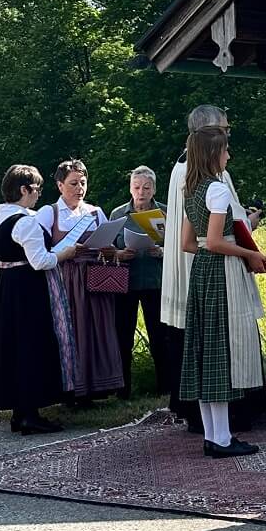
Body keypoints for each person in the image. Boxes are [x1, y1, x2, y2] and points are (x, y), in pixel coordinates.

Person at [162, 104, 266, 430]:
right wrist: (249, 246)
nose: (228, 138)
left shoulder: (185, 171)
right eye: (224, 130)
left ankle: (208, 425)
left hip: (196, 262)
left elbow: (189, 237)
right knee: (221, 341)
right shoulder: (213, 181)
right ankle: (230, 418)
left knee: (200, 342)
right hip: (219, 264)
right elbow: (225, 227)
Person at [0, 164, 82, 433]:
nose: (39, 194)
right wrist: (64, 254)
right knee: (32, 346)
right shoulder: (25, 221)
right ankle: (30, 413)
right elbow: (40, 261)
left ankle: (20, 412)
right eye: (37, 189)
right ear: (23, 190)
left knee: (14, 346)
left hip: (6, 286)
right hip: (28, 288)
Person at [35, 160, 125, 403]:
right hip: (65, 280)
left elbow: (109, 246)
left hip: (94, 279)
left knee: (97, 329)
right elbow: (38, 249)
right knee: (71, 330)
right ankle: (71, 389)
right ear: (60, 185)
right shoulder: (49, 213)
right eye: (73, 183)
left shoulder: (94, 212)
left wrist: (111, 250)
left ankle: (98, 387)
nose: (79, 188)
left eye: (83, 183)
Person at [109, 165, 172, 398]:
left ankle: (165, 386)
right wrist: (119, 254)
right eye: (136, 187)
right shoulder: (118, 214)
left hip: (156, 282)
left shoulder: (165, 212)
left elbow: (179, 245)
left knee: (160, 335)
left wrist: (162, 252)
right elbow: (107, 247)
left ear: (154, 189)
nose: (141, 192)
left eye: (146, 187)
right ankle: (122, 390)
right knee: (122, 335)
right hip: (125, 282)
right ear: (130, 188)